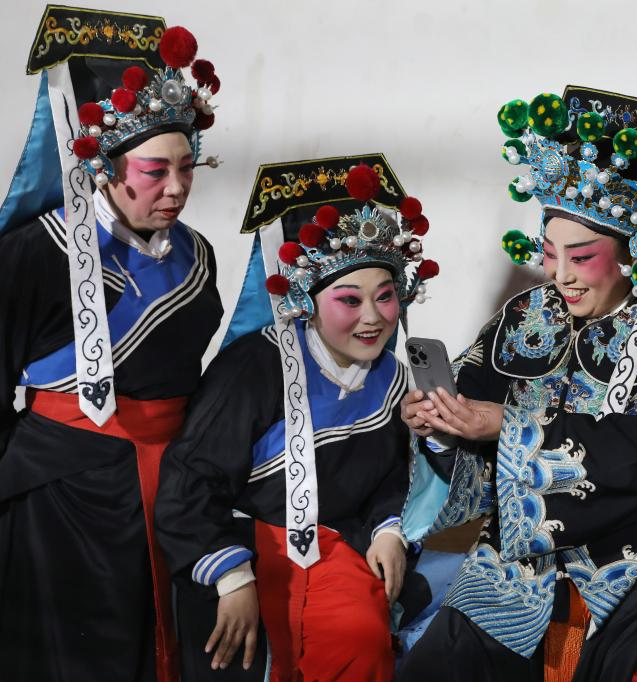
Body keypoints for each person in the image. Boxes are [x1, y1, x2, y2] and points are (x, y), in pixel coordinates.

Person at [397, 86, 637, 681]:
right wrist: (441, 427)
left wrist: (511, 427)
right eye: (550, 253)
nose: (561, 276)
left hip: (634, 562)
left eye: (582, 257)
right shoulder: (527, 315)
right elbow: (471, 400)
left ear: (630, 251)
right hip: (514, 569)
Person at [0, 8, 224, 681]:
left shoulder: (197, 256)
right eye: (155, 170)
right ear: (106, 165)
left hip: (167, 491)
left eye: (188, 167)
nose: (176, 188)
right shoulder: (34, 252)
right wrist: (39, 451)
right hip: (60, 495)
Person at [155, 155, 440, 681]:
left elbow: (391, 478)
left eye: (385, 297)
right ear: (306, 301)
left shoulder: (391, 378)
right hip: (243, 545)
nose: (372, 317)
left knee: (361, 641)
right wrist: (231, 578)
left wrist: (388, 531)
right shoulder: (252, 369)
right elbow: (190, 482)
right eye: (349, 300)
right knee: (237, 657)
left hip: (337, 546)